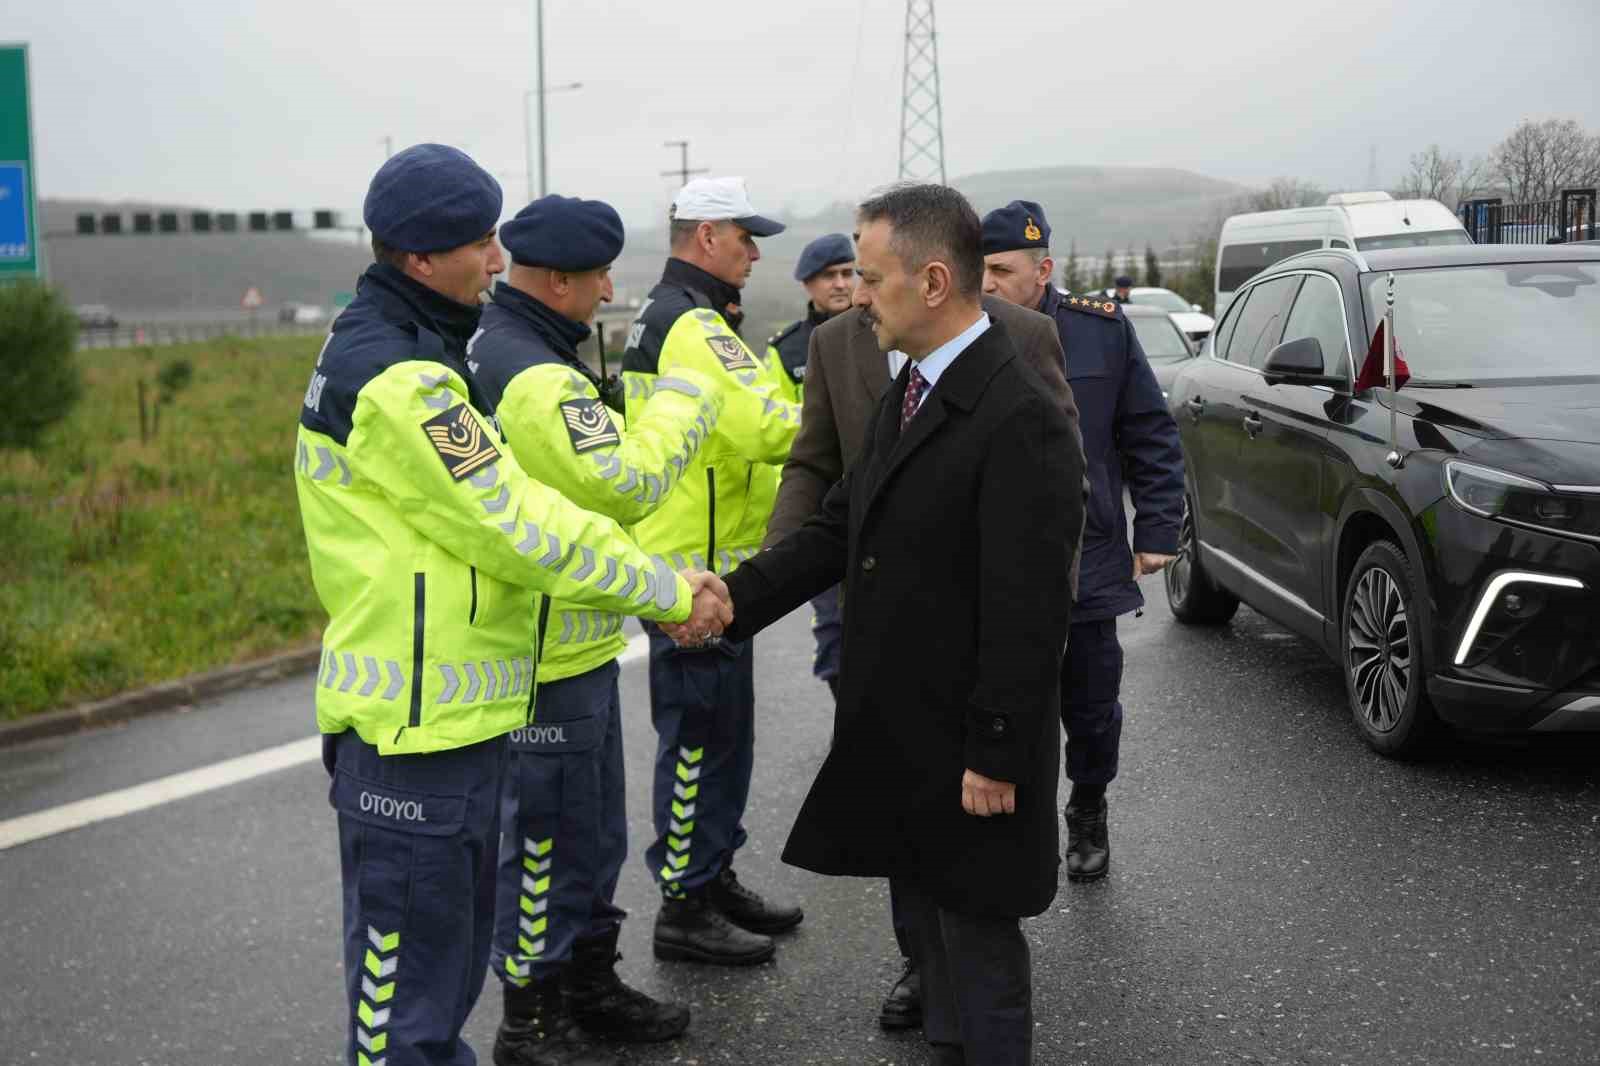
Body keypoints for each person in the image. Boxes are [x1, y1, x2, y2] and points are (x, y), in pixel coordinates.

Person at [295, 144, 729, 1066]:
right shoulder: (399, 379)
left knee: (436, 987)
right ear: (420, 258)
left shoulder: (412, 351)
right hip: (416, 733)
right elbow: (518, 522)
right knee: (406, 1015)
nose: (497, 263)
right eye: (481, 244)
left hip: (448, 717)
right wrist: (663, 588)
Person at [699, 183, 1087, 1066]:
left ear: (937, 281)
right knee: (931, 924)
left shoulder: (1018, 415)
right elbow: (842, 521)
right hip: (907, 722)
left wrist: (997, 746)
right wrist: (735, 597)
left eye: (871, 278)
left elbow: (1030, 604)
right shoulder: (909, 390)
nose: (856, 294)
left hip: (970, 734)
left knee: (980, 940)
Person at [465, 195, 730, 1065]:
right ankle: (531, 1019)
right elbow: (622, 485)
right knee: (547, 840)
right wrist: (688, 402)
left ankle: (588, 980)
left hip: (575, 637)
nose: (611, 287)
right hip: (543, 653)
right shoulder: (534, 373)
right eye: (600, 274)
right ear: (557, 279)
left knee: (592, 833)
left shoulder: (528, 347)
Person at [619, 176, 805, 966]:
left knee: (724, 735)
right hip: (688, 572)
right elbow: (763, 425)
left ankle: (712, 874)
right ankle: (686, 903)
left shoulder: (680, 314)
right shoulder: (693, 324)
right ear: (705, 237)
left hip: (707, 557)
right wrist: (850, 425)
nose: (755, 252)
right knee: (700, 739)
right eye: (744, 236)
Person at [980, 200, 1184, 883]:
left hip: (1088, 555)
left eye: (1002, 270)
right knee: (1005, 702)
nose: (987, 284)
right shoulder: (964, 333)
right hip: (995, 559)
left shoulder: (1101, 331)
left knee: (1092, 707)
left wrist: (1157, 527)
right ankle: (1012, 822)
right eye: (979, 268)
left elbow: (1149, 432)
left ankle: (1088, 803)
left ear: (1043, 269)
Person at [762, 232, 856, 702]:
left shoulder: (883, 331)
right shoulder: (786, 351)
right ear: (808, 285)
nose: (841, 284)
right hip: (822, 509)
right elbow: (780, 434)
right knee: (834, 629)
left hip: (876, 501)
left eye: (847, 273)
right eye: (829, 276)